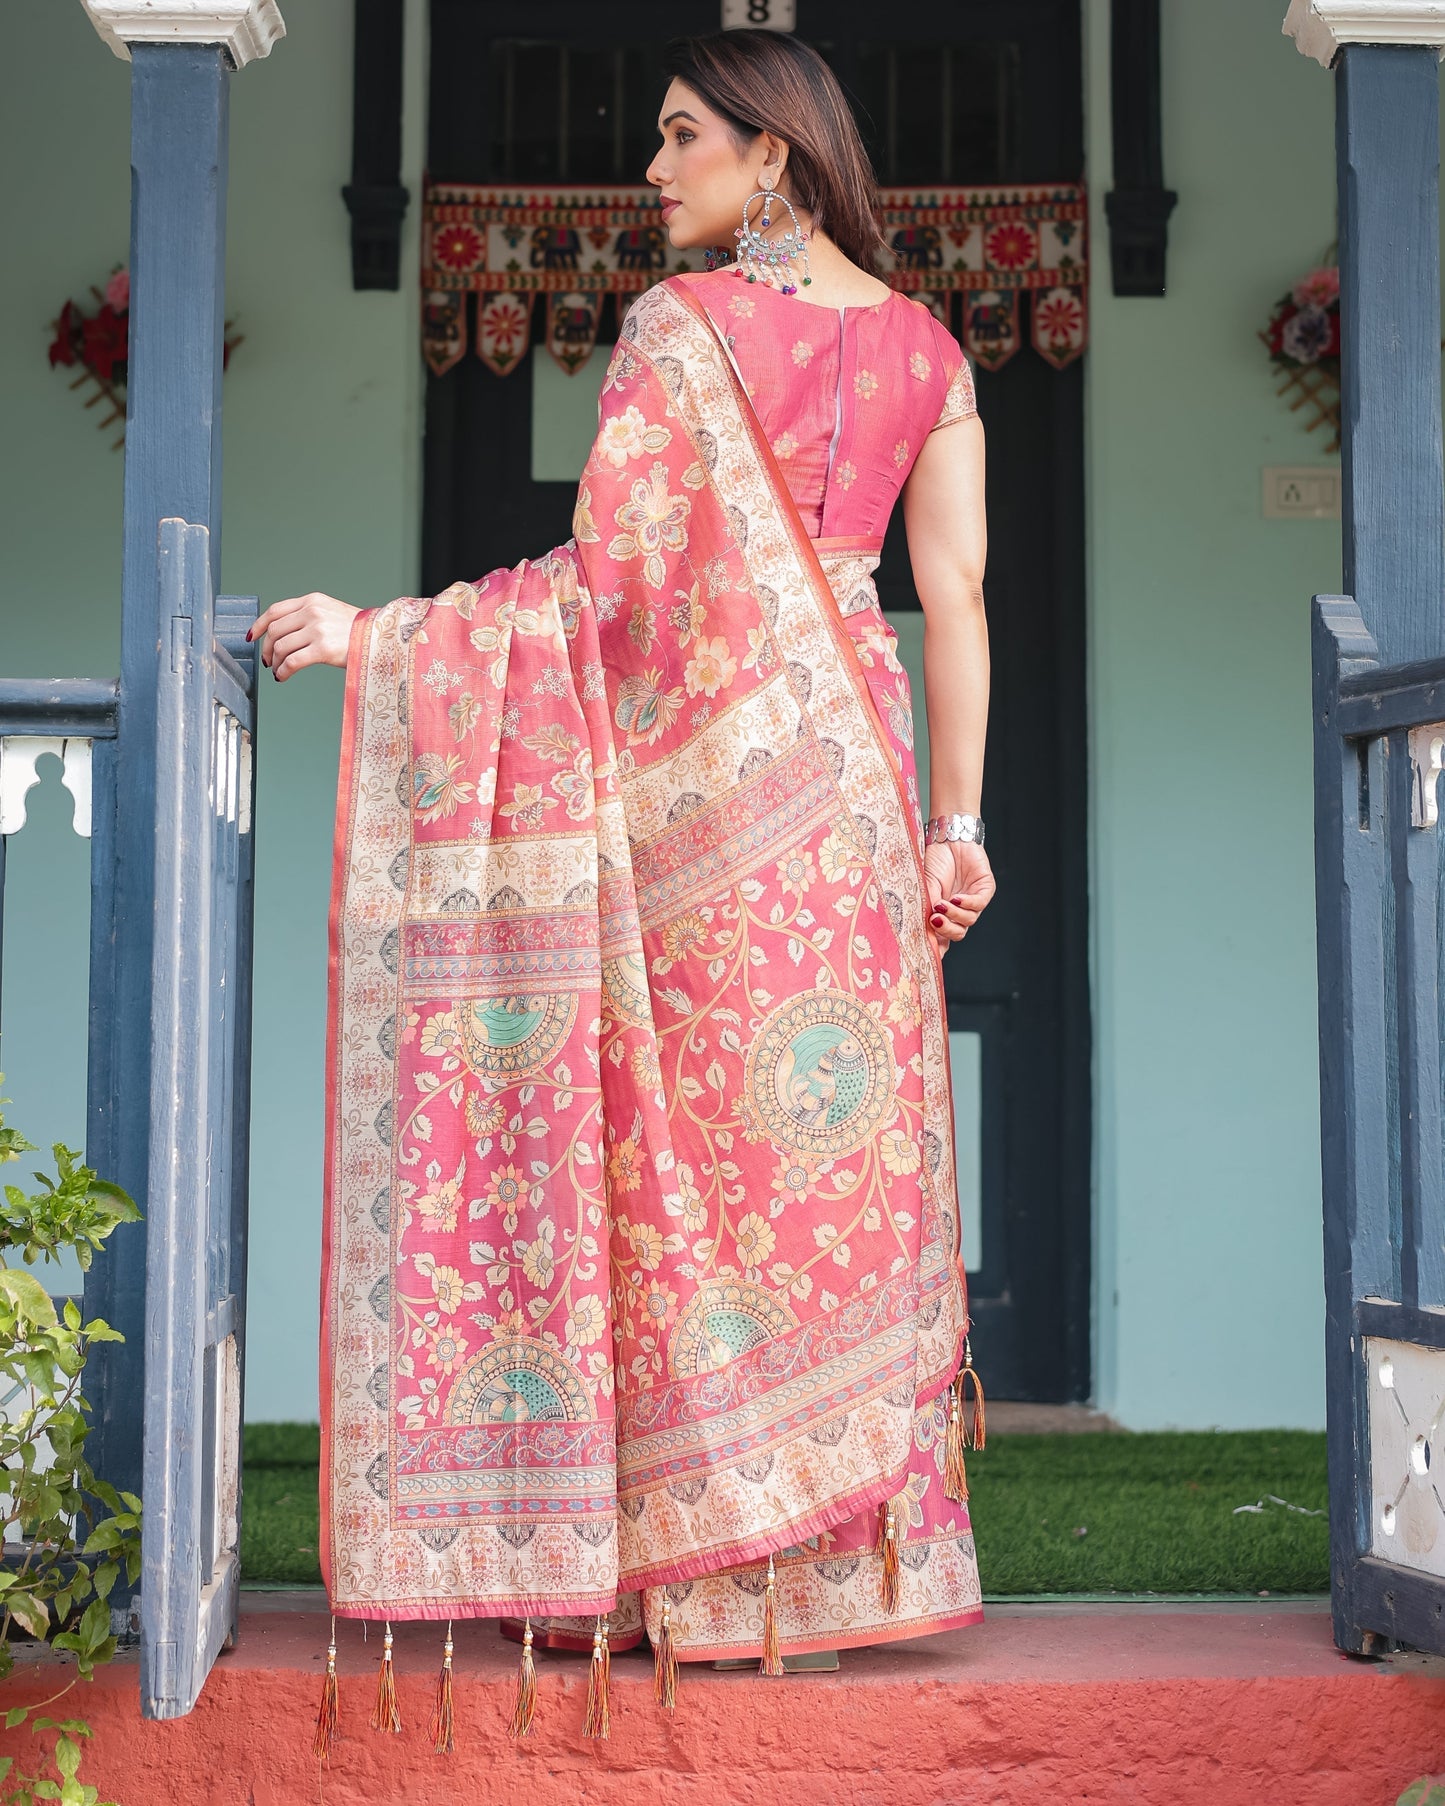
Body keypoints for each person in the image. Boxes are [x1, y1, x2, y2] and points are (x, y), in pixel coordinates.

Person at [250, 27, 994, 1734]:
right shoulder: (927, 349)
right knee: (824, 1155)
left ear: (772, 162)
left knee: (684, 1148)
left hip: (701, 782)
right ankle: (830, 1571)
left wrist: (388, 636)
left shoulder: (681, 334)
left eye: (678, 140)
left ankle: (689, 1565)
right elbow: (949, 603)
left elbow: (611, 599)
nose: (650, 172)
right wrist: (958, 830)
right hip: (854, 782)